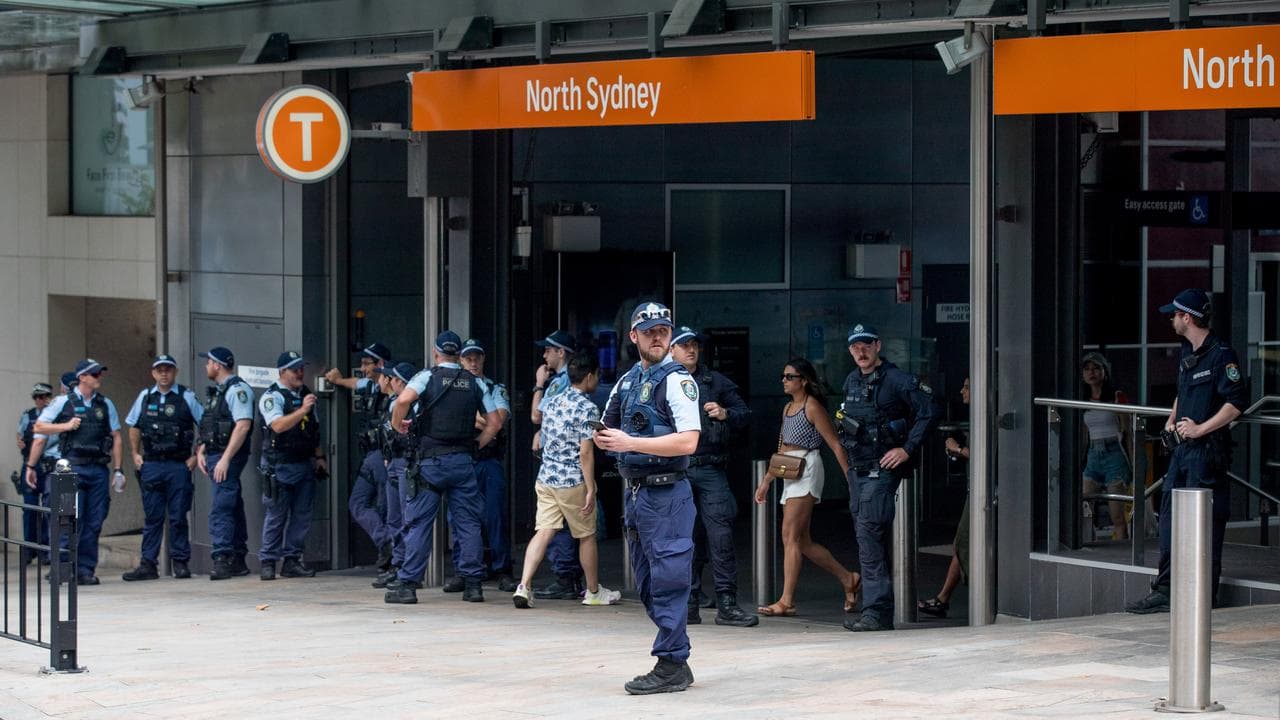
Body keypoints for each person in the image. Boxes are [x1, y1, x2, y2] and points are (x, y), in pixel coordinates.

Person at [594, 302, 700, 695]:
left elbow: (689, 440)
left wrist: (630, 441)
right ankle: (675, 658)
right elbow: (607, 427)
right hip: (638, 493)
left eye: (664, 331)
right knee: (647, 582)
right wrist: (602, 436)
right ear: (634, 337)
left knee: (669, 580)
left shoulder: (677, 380)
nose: (658, 337)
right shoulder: (628, 380)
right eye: (650, 331)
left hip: (667, 491)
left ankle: (672, 662)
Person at [1128, 289, 1247, 614]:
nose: (1170, 319)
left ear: (1188, 317)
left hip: (1207, 453)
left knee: (1204, 526)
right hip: (1181, 453)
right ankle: (1166, 590)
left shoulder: (1222, 355)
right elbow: (1182, 394)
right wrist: (1171, 420)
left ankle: (1203, 595)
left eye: (1174, 314)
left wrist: (1199, 428)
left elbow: (1236, 403)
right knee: (1168, 521)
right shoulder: (1187, 353)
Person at [384, 331, 501, 604]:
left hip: (430, 463)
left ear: (436, 353)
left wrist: (397, 426)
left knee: (419, 524)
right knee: (468, 523)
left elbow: (402, 401)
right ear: (459, 355)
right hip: (463, 462)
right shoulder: (475, 383)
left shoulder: (427, 377)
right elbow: (494, 423)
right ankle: (473, 586)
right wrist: (477, 445)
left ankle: (408, 585)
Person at [838, 324, 940, 632]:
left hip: (880, 470)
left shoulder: (897, 379)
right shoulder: (851, 380)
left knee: (869, 536)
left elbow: (929, 410)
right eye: (856, 347)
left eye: (866, 345)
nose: (861, 351)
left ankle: (877, 613)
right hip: (859, 469)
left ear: (878, 346)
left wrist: (906, 449)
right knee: (865, 537)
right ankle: (877, 612)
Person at [752, 358, 860, 618]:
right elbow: (782, 448)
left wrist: (849, 478)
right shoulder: (788, 408)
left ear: (804, 380)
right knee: (801, 541)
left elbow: (834, 443)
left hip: (807, 469)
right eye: (784, 376)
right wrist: (767, 480)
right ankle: (848, 578)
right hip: (789, 470)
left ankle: (787, 600)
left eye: (790, 376)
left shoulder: (812, 407)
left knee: (790, 535)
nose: (784, 380)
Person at [513, 353, 621, 608]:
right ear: (590, 376)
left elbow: (540, 427)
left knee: (543, 532)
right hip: (572, 479)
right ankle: (593, 591)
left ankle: (524, 585)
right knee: (586, 535)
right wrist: (591, 487)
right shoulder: (587, 407)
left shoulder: (551, 401)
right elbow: (585, 452)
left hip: (546, 477)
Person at [669, 326, 756, 627]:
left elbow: (745, 415)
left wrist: (725, 413)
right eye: (684, 346)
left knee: (721, 535)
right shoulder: (662, 382)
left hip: (710, 469)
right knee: (685, 538)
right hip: (678, 470)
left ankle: (727, 603)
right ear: (672, 351)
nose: (691, 350)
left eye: (694, 345)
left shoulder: (715, 382)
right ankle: (689, 603)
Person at [32, 359, 125, 586]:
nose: (98, 378)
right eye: (94, 375)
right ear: (82, 377)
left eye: (99, 374)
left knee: (94, 521)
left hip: (97, 469)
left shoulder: (105, 404)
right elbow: (39, 427)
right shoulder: (63, 402)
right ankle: (61, 568)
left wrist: (118, 469)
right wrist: (65, 426)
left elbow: (116, 436)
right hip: (70, 466)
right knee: (66, 519)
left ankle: (84, 570)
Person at [121, 355, 204, 581]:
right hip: (153, 464)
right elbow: (134, 426)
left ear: (175, 372)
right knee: (153, 517)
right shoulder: (145, 397)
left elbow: (206, 426)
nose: (164, 374)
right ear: (153, 373)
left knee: (178, 517)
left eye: (168, 369)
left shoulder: (186, 396)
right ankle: (148, 564)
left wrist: (197, 456)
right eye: (160, 370)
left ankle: (180, 564)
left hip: (178, 465)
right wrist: (135, 454)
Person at [442, 338, 515, 592]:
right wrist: (487, 420)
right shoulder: (454, 387)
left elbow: (500, 421)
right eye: (467, 358)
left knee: (494, 515)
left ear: (483, 359)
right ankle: (464, 571)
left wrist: (479, 420)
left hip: (489, 461)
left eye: (476, 357)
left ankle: (502, 569)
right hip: (463, 460)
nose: (472, 362)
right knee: (459, 517)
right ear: (460, 360)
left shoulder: (495, 387)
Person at [257, 351, 325, 581]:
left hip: (303, 463)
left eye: (301, 368)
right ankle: (268, 561)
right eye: (294, 369)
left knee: (302, 516)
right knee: (276, 515)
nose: (299, 373)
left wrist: (320, 458)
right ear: (282, 372)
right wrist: (302, 410)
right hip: (279, 464)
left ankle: (292, 561)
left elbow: (314, 431)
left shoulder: (306, 395)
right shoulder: (272, 397)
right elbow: (277, 425)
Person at [530, 330, 586, 600]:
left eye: (548, 350)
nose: (544, 355)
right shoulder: (570, 380)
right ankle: (573, 577)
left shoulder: (558, 382)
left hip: (560, 466)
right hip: (572, 462)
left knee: (557, 524)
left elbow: (535, 415)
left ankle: (565, 577)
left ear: (561, 352)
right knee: (574, 525)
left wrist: (539, 384)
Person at [327, 343, 394, 567]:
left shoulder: (394, 390)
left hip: (384, 458)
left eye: (367, 364)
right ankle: (386, 543)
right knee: (357, 503)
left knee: (387, 509)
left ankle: (392, 560)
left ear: (381, 365)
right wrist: (337, 381)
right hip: (370, 457)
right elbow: (355, 382)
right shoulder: (372, 386)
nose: (363, 368)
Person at [196, 346, 255, 581]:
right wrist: (202, 448)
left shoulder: (237, 390)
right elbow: (211, 424)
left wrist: (225, 459)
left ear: (217, 365)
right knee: (232, 503)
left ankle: (221, 558)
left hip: (225, 457)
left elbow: (242, 426)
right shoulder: (219, 391)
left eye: (208, 362)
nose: (206, 366)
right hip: (215, 454)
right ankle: (238, 558)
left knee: (221, 506)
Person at [919, 377, 971, 619]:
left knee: (964, 542)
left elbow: (988, 450)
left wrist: (957, 449)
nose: (962, 391)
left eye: (967, 386)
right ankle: (942, 598)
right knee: (964, 543)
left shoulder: (989, 416)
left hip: (989, 493)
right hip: (979, 490)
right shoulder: (980, 416)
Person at [370, 361, 418, 589]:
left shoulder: (410, 404)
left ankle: (406, 567)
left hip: (406, 463)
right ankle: (398, 565)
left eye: (394, 379)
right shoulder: (393, 403)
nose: (391, 382)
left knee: (405, 518)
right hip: (394, 462)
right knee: (394, 518)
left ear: (401, 382)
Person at [1079, 352, 1133, 541]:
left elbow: (1127, 432)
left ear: (1104, 371)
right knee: (1084, 506)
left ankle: (1123, 554)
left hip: (1114, 453)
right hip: (1093, 454)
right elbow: (1084, 434)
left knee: (1116, 514)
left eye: (1095, 368)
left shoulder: (1116, 397)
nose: (1091, 373)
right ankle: (1087, 546)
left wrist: (1135, 463)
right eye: (1087, 369)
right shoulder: (1082, 400)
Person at [16, 382, 55, 565]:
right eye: (36, 397)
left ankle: (46, 548)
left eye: (43, 396)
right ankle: (29, 548)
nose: (40, 400)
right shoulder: (28, 415)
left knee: (49, 507)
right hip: (31, 465)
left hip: (48, 464)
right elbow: (20, 434)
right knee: (30, 508)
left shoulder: (56, 414)